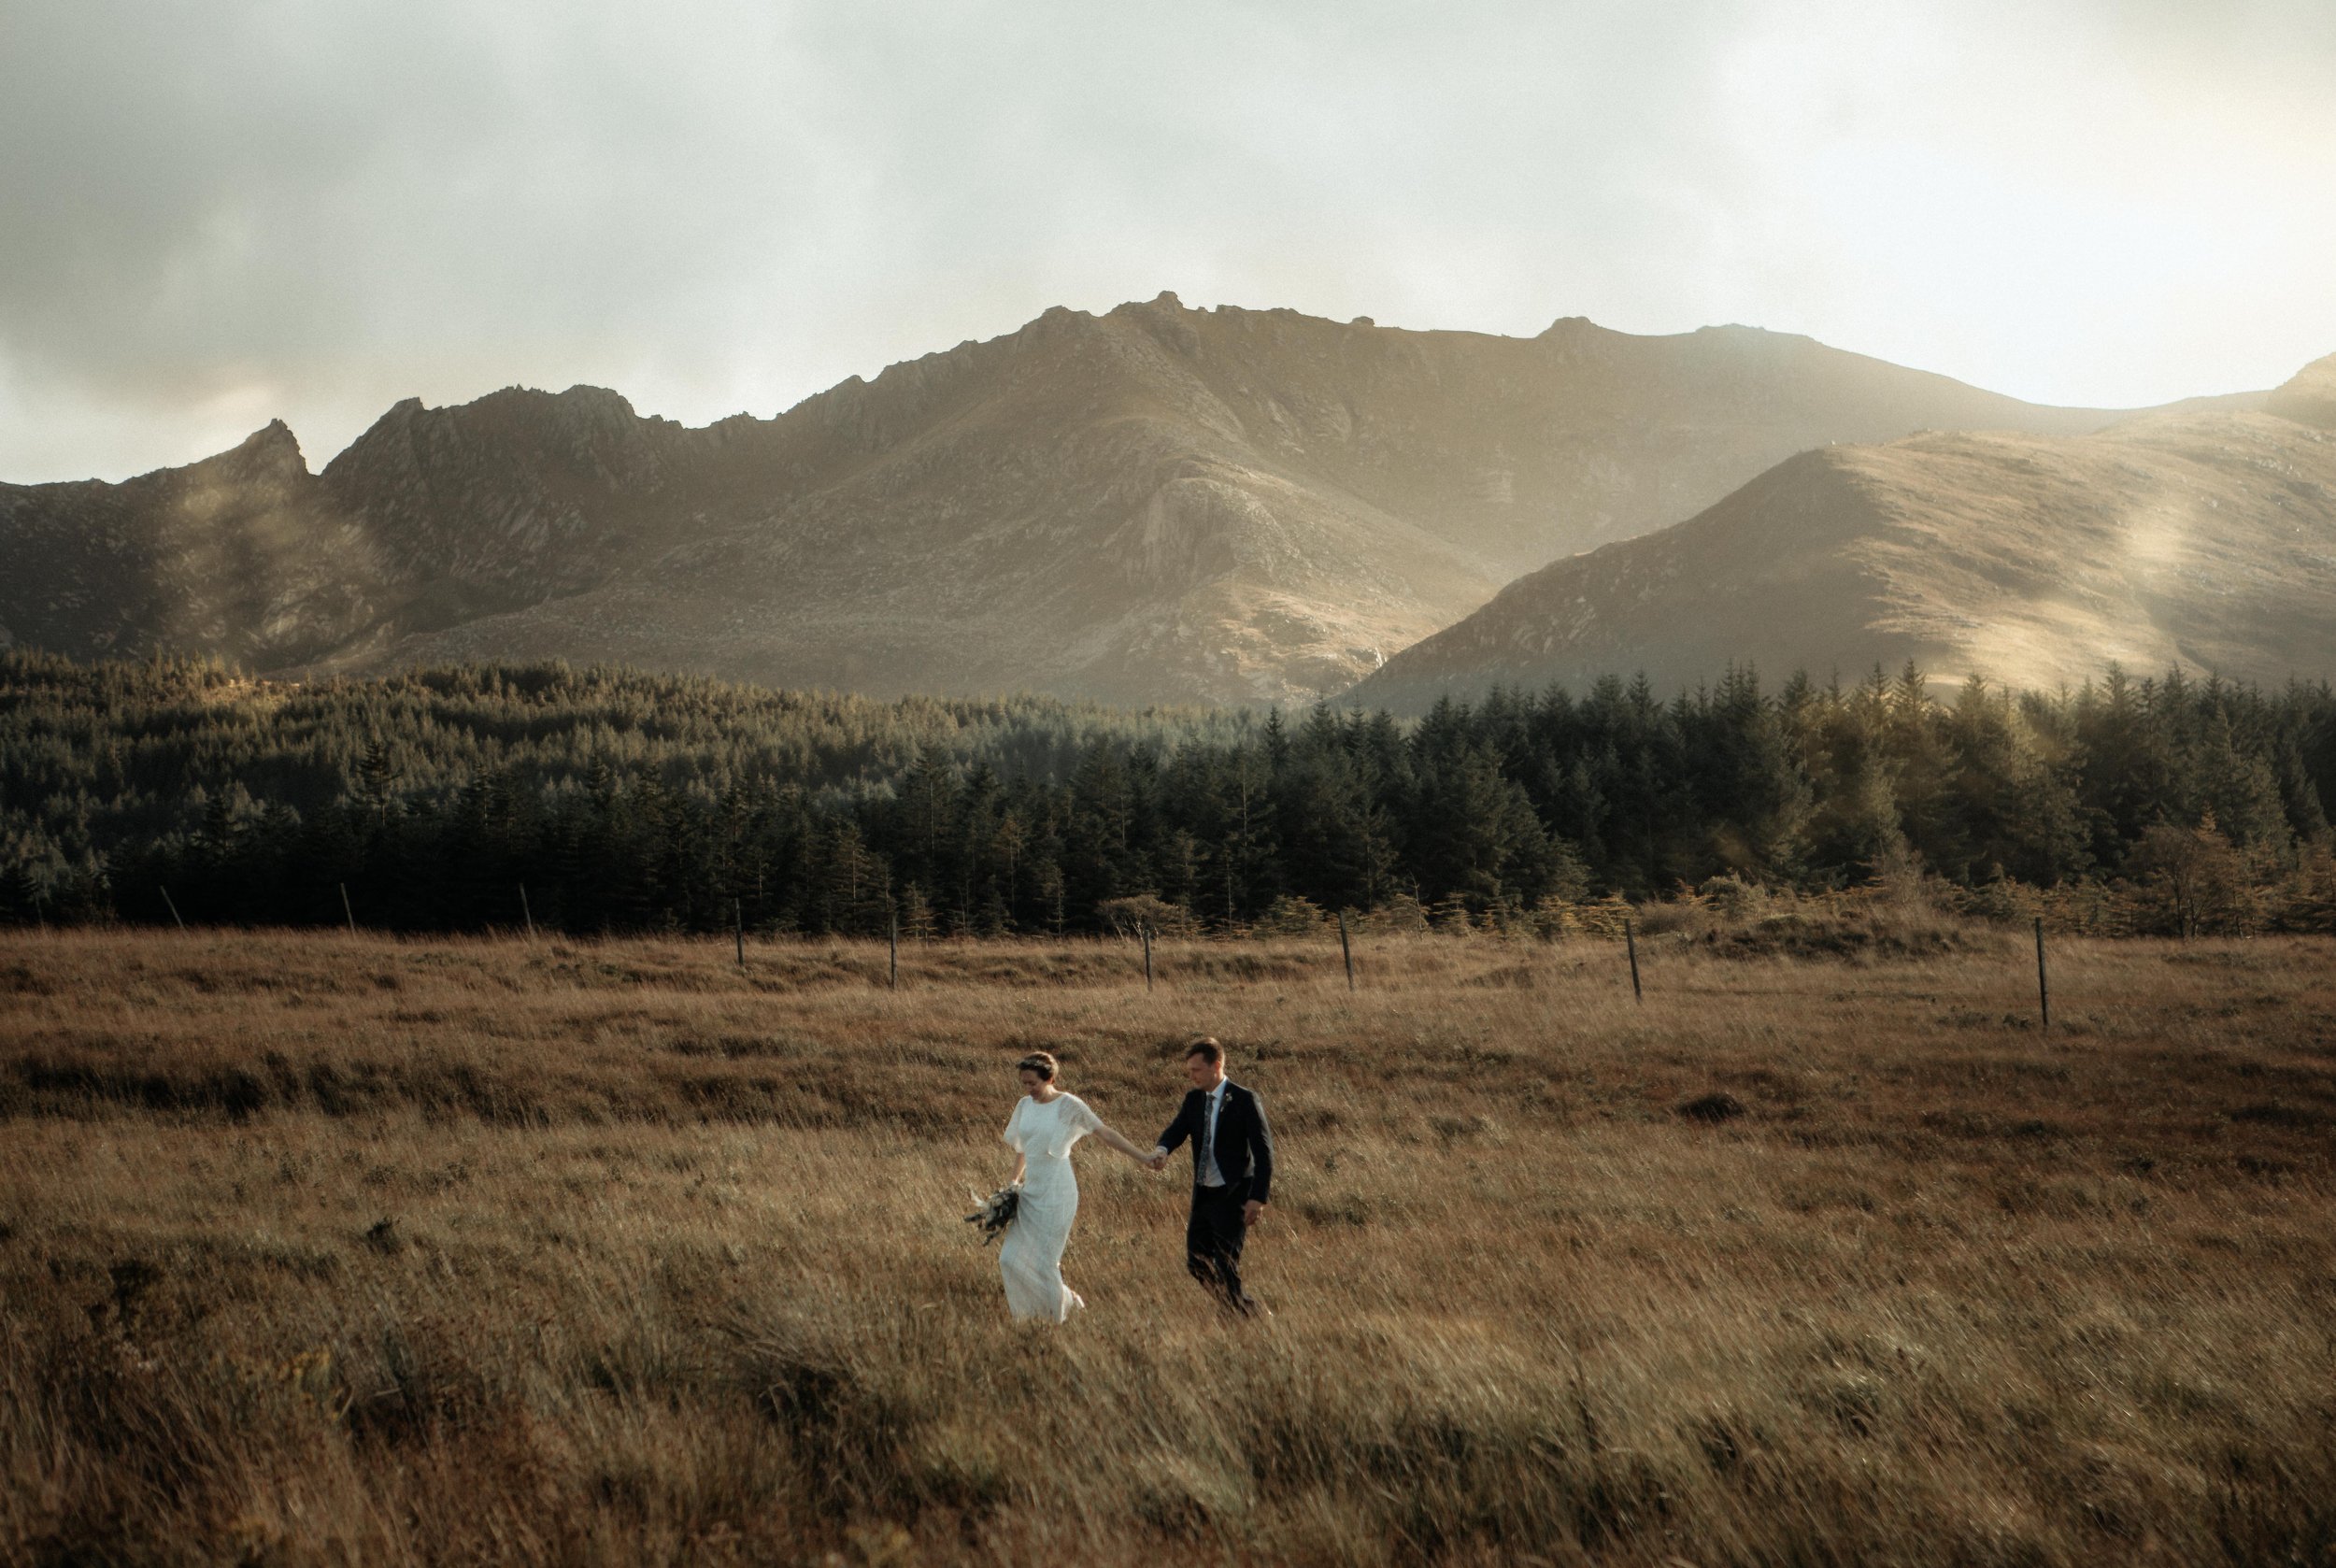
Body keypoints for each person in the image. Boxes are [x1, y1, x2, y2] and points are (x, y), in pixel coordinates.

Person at [997, 1049, 1156, 1321]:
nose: (1028, 1089)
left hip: (1058, 1192)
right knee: (1009, 1259)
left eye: (1032, 1083)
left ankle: (1054, 1322)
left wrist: (1143, 1157)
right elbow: (1023, 1148)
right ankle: (1058, 1303)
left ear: (1050, 1079)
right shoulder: (1024, 1105)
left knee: (1045, 1262)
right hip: (1030, 1192)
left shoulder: (1069, 1105)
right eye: (1024, 1083)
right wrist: (1013, 1182)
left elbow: (1104, 1132)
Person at [1147, 1036, 1275, 1315]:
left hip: (1234, 1195)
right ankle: (1240, 1307)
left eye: (1196, 1070)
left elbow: (1264, 1153)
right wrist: (1163, 1149)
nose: (1191, 1076)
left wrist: (1257, 1198)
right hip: (1204, 1194)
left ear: (1216, 1065)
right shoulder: (1194, 1099)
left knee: (1226, 1262)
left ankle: (1238, 1314)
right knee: (1196, 1261)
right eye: (1189, 1070)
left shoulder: (1244, 1100)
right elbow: (1177, 1129)